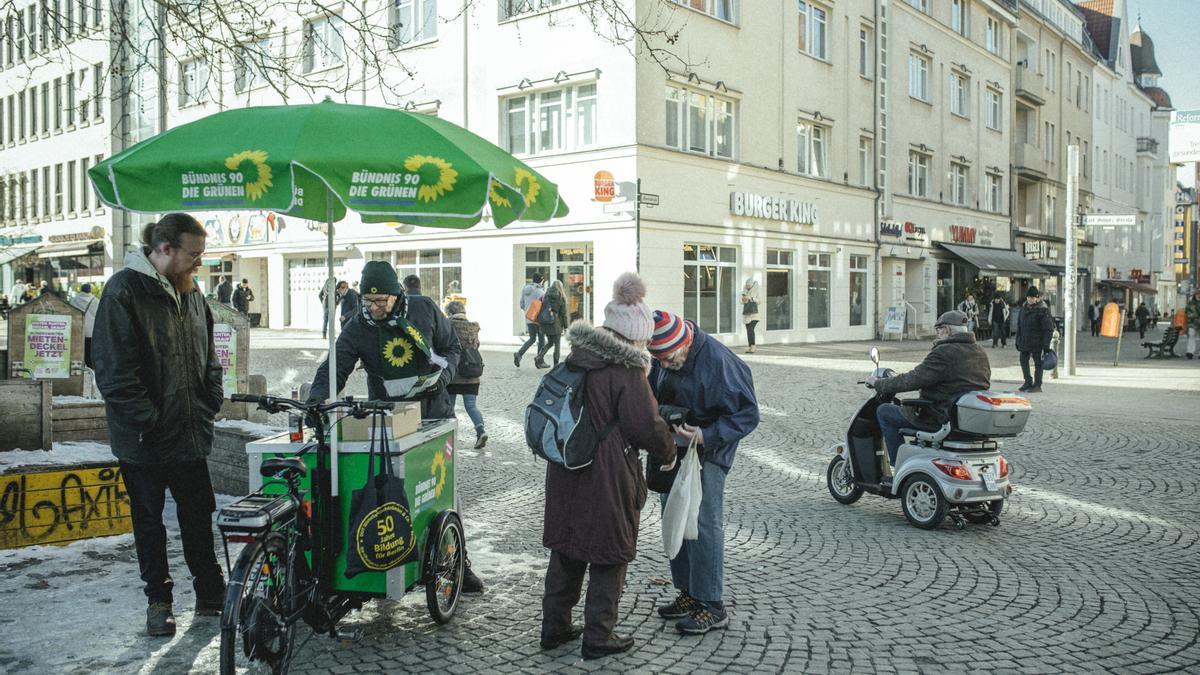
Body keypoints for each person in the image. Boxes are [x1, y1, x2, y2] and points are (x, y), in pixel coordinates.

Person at [306, 261, 481, 592]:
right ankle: (388, 559)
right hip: (389, 417)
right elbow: (335, 367)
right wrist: (317, 399)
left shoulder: (424, 309)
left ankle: (459, 562)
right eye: (368, 302)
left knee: (445, 493)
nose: (374, 308)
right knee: (392, 488)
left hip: (434, 412)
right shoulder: (360, 326)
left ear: (397, 295)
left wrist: (445, 375)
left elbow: (451, 346)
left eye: (381, 301)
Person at [92, 214, 226, 637]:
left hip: (188, 430)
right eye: (193, 255)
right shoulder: (123, 291)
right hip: (144, 439)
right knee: (150, 522)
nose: (199, 264)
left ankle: (211, 592)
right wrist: (149, 422)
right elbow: (114, 373)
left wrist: (209, 399)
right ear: (164, 249)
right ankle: (159, 601)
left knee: (198, 514)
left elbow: (208, 354)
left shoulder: (192, 291)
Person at [541, 272, 676, 660]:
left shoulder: (578, 356)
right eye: (645, 338)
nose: (647, 345)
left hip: (567, 465)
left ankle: (555, 628)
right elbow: (645, 425)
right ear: (634, 335)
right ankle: (599, 637)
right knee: (609, 552)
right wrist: (667, 452)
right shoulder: (627, 369)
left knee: (566, 549)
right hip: (607, 472)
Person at [647, 309, 759, 636]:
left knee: (702, 523)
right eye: (660, 360)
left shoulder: (719, 361)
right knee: (675, 517)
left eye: (669, 359)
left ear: (685, 343)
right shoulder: (665, 355)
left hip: (709, 450)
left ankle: (711, 604)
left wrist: (706, 436)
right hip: (675, 446)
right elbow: (655, 393)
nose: (664, 365)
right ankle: (688, 592)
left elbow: (748, 414)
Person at [868, 310, 991, 471]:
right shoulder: (980, 352)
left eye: (938, 330)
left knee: (884, 411)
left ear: (946, 330)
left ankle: (898, 466)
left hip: (938, 417)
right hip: (966, 419)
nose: (937, 335)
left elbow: (913, 379)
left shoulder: (944, 352)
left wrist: (879, 384)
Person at [445, 300, 488, 450]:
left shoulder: (448, 325)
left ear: (449, 312)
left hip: (454, 375)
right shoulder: (473, 327)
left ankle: (451, 436)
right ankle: (480, 430)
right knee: (471, 406)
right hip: (472, 374)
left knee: (449, 407)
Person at [1015, 287, 1054, 393]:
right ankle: (1027, 381)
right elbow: (1019, 325)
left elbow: (1049, 329)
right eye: (1028, 297)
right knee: (1023, 361)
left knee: (1038, 363)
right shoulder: (1023, 308)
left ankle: (1037, 385)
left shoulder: (1042, 310)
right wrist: (1017, 339)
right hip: (1025, 340)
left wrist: (1046, 345)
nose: (1030, 300)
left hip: (1037, 342)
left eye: (1032, 298)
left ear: (1037, 298)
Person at [535, 279, 570, 368]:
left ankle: (539, 356)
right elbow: (563, 314)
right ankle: (556, 365)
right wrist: (566, 326)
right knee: (557, 344)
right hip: (556, 324)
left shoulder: (545, 295)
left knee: (550, 342)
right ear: (560, 287)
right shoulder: (560, 297)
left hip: (545, 322)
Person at [514, 273, 546, 367]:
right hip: (538, 319)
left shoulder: (525, 289)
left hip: (528, 318)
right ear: (541, 280)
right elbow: (543, 306)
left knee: (532, 338)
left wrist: (528, 312)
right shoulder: (540, 291)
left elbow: (522, 304)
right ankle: (539, 360)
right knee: (541, 339)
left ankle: (519, 354)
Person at [70, 283, 100, 369]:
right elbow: (98, 315)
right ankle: (90, 366)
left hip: (78, 328)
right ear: (90, 290)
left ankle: (81, 365)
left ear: (81, 290)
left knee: (79, 347)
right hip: (91, 330)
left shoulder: (74, 300)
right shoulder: (95, 301)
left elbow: (71, 313)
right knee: (89, 349)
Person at [740, 278, 760, 354]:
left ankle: (753, 347)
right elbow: (741, 302)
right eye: (747, 285)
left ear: (752, 285)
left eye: (749, 285)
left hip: (754, 314)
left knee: (751, 330)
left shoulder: (756, 290)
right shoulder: (744, 290)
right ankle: (750, 347)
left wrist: (751, 298)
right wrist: (743, 299)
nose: (747, 286)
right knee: (748, 331)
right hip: (747, 313)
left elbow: (759, 301)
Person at [1186, 288, 1200, 359]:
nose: (1198, 295)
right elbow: (1187, 311)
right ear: (1195, 295)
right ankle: (1190, 352)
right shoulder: (1191, 303)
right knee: (1191, 337)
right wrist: (1192, 316)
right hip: (1192, 323)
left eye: (1199, 294)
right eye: (1197, 294)